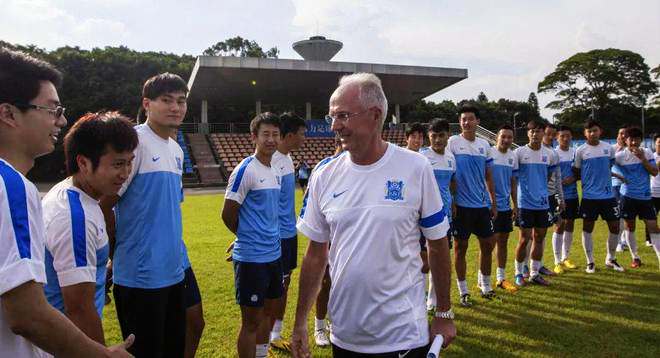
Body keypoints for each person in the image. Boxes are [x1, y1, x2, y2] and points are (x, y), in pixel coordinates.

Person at [291, 73, 456, 357]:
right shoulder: (324, 174)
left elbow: (438, 244)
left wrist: (443, 313)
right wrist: (299, 323)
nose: (334, 126)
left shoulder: (415, 168)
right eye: (332, 116)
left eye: (343, 116)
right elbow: (315, 255)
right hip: (344, 336)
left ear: (375, 115)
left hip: (403, 335)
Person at [0, 47, 132, 357]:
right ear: (9, 114)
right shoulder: (11, 187)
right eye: (52, 109)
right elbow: (27, 315)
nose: (62, 120)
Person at [100, 73, 189, 357]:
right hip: (140, 275)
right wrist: (107, 257)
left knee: (173, 347)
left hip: (172, 271)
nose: (175, 107)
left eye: (181, 101)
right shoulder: (134, 143)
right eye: (166, 100)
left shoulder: (176, 149)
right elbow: (104, 204)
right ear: (147, 104)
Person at [43, 112, 137, 345]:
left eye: (129, 162)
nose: (125, 174)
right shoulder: (75, 218)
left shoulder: (80, 195)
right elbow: (79, 309)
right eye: (117, 164)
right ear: (83, 163)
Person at [222, 112, 283, 358]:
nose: (271, 139)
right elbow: (227, 213)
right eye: (265, 134)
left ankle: (261, 354)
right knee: (251, 322)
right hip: (252, 259)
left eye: (275, 134)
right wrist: (245, 236)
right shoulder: (245, 170)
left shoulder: (276, 169)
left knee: (269, 312)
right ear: (254, 137)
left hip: (274, 255)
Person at [447, 105, 498, 306]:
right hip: (461, 206)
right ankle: (463, 291)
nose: (466, 122)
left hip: (482, 205)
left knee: (488, 245)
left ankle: (485, 285)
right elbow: (450, 175)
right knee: (461, 247)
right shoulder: (452, 142)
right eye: (463, 119)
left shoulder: (485, 145)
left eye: (470, 119)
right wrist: (451, 201)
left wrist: (492, 201)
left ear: (477, 121)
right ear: (460, 122)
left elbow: (488, 176)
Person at [269, 112, 307, 351]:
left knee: (285, 283)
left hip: (288, 233)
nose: (304, 139)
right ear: (290, 135)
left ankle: (275, 333)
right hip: (275, 236)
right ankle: (267, 336)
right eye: (302, 134)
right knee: (273, 287)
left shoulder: (287, 158)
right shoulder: (271, 160)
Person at [168, 129, 205, 358]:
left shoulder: (175, 155)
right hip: (148, 263)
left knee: (195, 322)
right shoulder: (136, 152)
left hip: (179, 257)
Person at [573, 120, 624, 273]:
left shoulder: (608, 149)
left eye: (595, 130)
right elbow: (577, 171)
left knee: (615, 227)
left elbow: (609, 166)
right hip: (589, 197)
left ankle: (611, 258)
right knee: (588, 228)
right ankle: (590, 262)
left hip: (608, 196)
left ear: (600, 131)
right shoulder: (580, 150)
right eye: (589, 131)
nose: (592, 133)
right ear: (585, 133)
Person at [513, 120, 559, 287]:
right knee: (524, 239)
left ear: (543, 133)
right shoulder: (518, 153)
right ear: (528, 133)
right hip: (525, 203)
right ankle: (518, 273)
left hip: (542, 203)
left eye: (539, 131)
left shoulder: (550, 155)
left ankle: (534, 273)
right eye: (532, 131)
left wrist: (540, 191)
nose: (535, 134)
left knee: (539, 237)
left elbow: (547, 177)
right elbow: (515, 179)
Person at [420, 118, 456, 310]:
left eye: (441, 136)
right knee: (423, 261)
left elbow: (451, 183)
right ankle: (420, 296)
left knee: (439, 259)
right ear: (429, 137)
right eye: (434, 136)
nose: (438, 140)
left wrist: (452, 203)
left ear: (447, 136)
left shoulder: (451, 158)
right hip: (424, 218)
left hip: (445, 217)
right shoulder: (422, 157)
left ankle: (432, 301)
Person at [614, 127, 659, 268]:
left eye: (636, 139)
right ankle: (635, 257)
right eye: (630, 139)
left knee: (654, 227)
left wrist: (643, 159)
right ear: (625, 140)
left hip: (645, 197)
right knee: (630, 226)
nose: (633, 142)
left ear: (641, 140)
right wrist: (619, 176)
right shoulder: (620, 156)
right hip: (627, 197)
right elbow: (607, 167)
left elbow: (654, 172)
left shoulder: (647, 152)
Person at [489, 124, 519, 292]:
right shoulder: (489, 153)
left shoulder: (513, 157)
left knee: (503, 241)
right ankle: (482, 279)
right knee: (488, 243)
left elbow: (513, 182)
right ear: (496, 138)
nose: (506, 140)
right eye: (503, 136)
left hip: (505, 206)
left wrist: (515, 203)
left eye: (510, 137)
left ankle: (501, 279)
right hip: (489, 206)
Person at [553, 126, 579, 270]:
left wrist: (574, 178)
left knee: (570, 224)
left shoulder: (575, 153)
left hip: (573, 195)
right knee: (559, 225)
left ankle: (565, 257)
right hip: (558, 196)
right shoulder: (554, 153)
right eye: (562, 136)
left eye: (568, 135)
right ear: (557, 137)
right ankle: (557, 261)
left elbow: (579, 173)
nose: (565, 138)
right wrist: (559, 182)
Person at [542, 124, 564, 275]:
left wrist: (561, 198)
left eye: (553, 134)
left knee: (559, 224)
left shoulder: (554, 154)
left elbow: (557, 178)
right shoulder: (530, 151)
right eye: (547, 134)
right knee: (535, 233)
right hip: (538, 198)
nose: (550, 137)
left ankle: (556, 261)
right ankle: (528, 267)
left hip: (551, 196)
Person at [612, 126, 629, 252]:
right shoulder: (612, 149)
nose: (622, 136)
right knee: (618, 214)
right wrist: (618, 176)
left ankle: (623, 239)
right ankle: (618, 242)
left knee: (625, 215)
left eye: (625, 134)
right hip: (615, 185)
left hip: (627, 186)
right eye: (620, 133)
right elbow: (606, 167)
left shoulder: (630, 149)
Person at [648, 133, 660, 248]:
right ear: (655, 144)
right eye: (659, 142)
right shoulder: (651, 156)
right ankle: (649, 239)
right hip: (654, 191)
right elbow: (652, 170)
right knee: (651, 216)